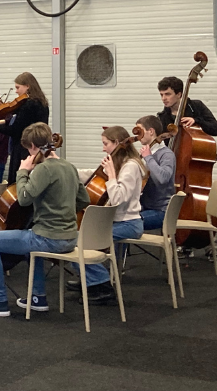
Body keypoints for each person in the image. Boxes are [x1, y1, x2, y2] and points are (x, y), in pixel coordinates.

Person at [0, 123, 90, 317]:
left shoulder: (44, 169)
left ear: (33, 147)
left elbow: (24, 198)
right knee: (30, 247)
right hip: (70, 238)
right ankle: (37, 297)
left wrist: (23, 171)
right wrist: (62, 210)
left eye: (27, 149)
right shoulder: (69, 166)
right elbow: (84, 200)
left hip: (48, 239)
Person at [70, 126, 147, 304]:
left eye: (106, 144)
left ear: (117, 143)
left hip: (129, 224)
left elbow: (119, 198)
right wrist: (69, 170)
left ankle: (102, 285)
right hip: (117, 223)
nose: (103, 148)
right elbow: (93, 174)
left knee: (78, 241)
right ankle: (91, 280)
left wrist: (112, 175)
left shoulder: (131, 166)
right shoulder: (120, 163)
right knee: (74, 238)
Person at [0, 72, 49, 184]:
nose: (16, 91)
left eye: (18, 87)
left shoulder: (29, 105)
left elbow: (16, 130)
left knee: (18, 183)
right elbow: (21, 120)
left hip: (24, 150)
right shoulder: (41, 102)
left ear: (27, 86)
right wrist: (3, 121)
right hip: (38, 148)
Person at [136, 115, 176, 231]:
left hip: (160, 211)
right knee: (117, 217)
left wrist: (148, 157)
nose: (138, 137)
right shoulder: (146, 153)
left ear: (151, 131)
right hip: (144, 206)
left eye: (140, 132)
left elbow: (163, 178)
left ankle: (117, 250)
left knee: (126, 222)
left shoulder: (166, 154)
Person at [156, 76, 217, 140]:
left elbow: (215, 130)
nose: (163, 98)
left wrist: (196, 121)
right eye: (161, 95)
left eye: (167, 94)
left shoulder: (196, 106)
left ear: (179, 94)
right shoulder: (162, 117)